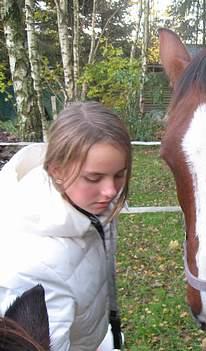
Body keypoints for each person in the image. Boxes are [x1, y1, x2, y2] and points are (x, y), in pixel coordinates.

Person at [0, 101, 132, 351]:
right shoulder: (33, 270)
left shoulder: (82, 207)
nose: (111, 191)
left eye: (119, 175)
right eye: (94, 178)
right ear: (56, 170)